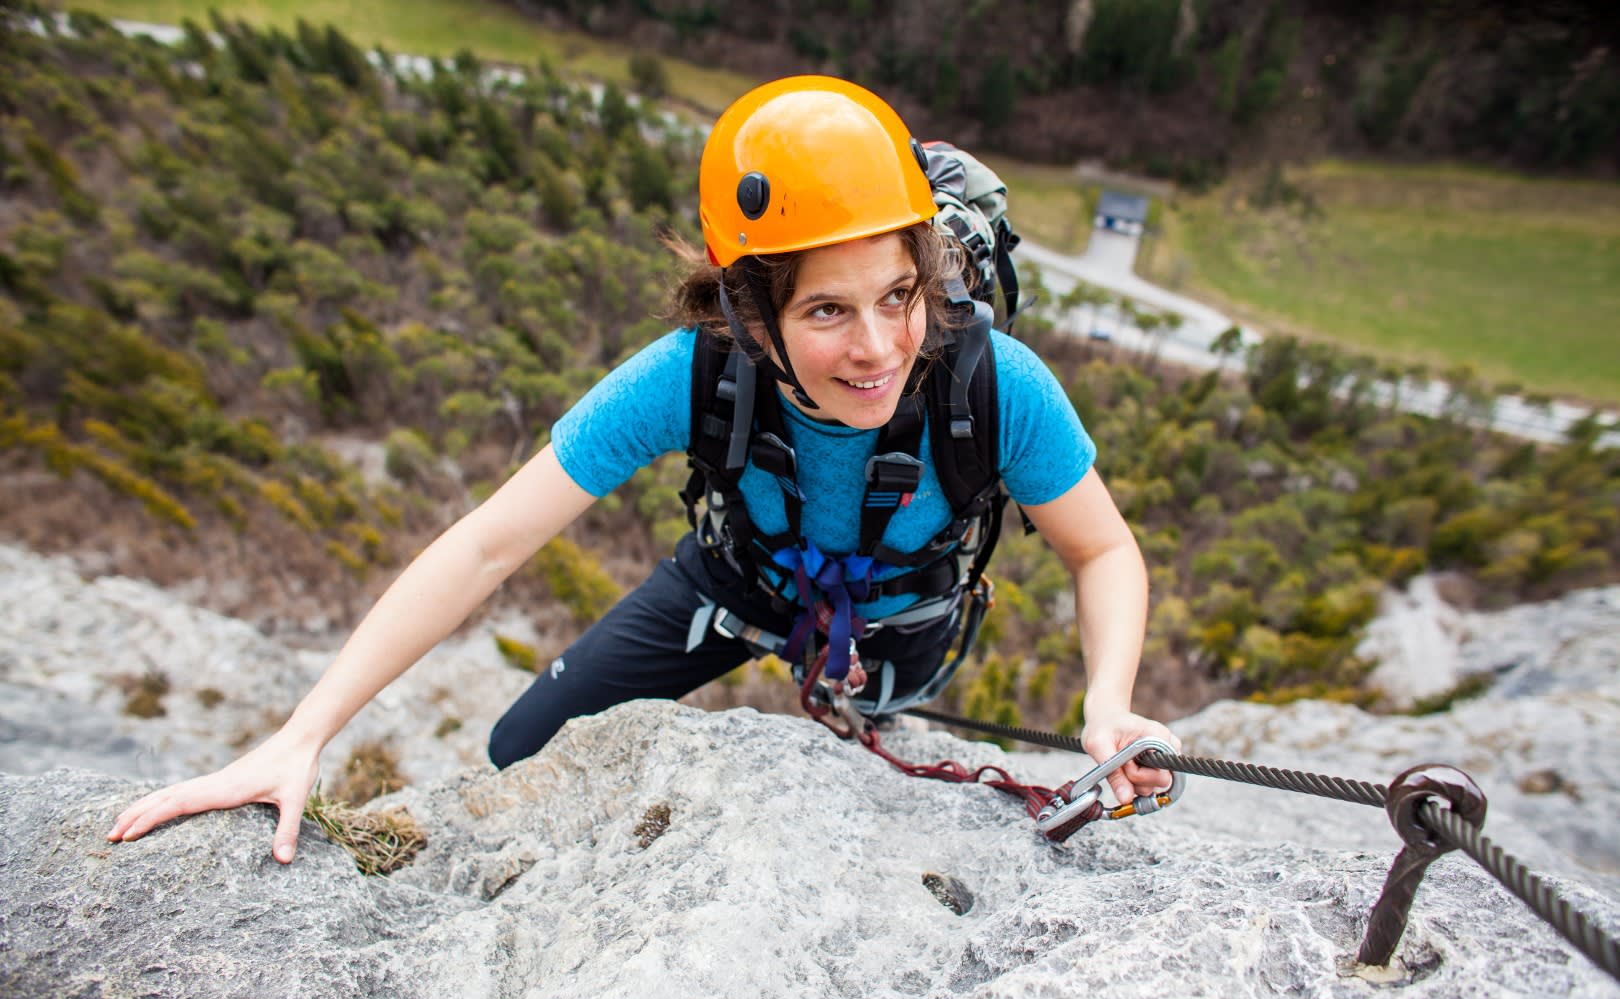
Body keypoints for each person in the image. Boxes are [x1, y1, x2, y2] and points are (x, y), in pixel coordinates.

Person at [108, 76, 1180, 863]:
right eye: (826, 311)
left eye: (898, 295)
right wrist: (302, 737)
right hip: (731, 582)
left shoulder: (995, 381)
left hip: (899, 623)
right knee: (518, 749)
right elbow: (488, 544)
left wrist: (1107, 702)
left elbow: (1102, 550)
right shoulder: (692, 374)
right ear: (747, 309)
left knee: (872, 746)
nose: (880, 348)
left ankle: (855, 706)